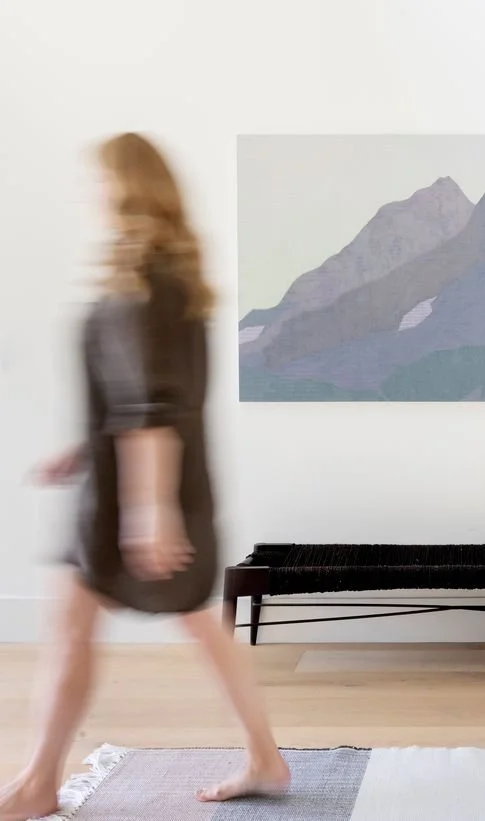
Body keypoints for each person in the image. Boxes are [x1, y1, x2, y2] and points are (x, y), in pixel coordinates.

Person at [0, 133, 290, 820]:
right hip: (130, 484)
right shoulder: (166, 281)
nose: (91, 195)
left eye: (99, 182)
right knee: (148, 624)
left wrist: (149, 509)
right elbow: (139, 397)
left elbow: (154, 407)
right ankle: (42, 779)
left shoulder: (148, 283)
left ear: (126, 187)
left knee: (124, 623)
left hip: (138, 495)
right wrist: (86, 448)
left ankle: (39, 783)